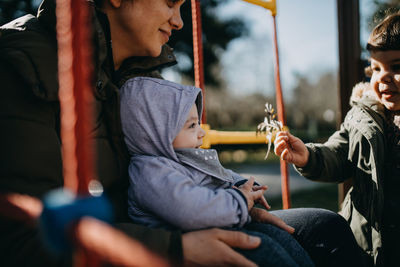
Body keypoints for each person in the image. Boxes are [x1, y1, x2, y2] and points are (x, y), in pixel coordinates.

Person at [0, 0, 365, 266]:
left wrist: (234, 200)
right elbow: (20, 239)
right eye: (171, 4)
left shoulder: (135, 77)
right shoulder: (22, 61)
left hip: (168, 220)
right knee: (266, 255)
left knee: (322, 226)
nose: (178, 22)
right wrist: (175, 249)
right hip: (132, 240)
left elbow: (186, 166)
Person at [120, 76, 314, 267]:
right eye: (192, 125)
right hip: (188, 252)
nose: (202, 132)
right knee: (265, 250)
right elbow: (191, 209)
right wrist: (238, 200)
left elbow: (220, 175)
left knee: (278, 236)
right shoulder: (150, 172)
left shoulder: (181, 160)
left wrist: (241, 185)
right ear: (157, 133)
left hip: (217, 227)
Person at [273, 12, 400, 267]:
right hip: (365, 244)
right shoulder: (364, 118)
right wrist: (308, 156)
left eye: (396, 67)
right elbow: (338, 154)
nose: (382, 77)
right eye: (376, 68)